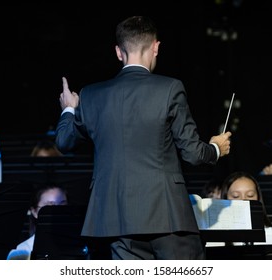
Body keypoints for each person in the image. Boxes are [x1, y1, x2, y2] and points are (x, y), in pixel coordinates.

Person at [55, 15, 231, 260]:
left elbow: (63, 142)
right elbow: (192, 153)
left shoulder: (92, 96)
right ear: (156, 47)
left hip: (116, 221)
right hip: (166, 216)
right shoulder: (170, 88)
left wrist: (69, 109)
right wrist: (215, 148)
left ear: (119, 52)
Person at [220, 171, 272, 245]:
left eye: (250, 195)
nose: (243, 200)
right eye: (236, 196)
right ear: (225, 200)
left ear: (258, 198)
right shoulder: (214, 237)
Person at [7, 185, 68, 260]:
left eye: (62, 205)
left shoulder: (81, 247)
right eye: (49, 206)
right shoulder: (22, 251)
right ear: (34, 211)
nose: (58, 211)